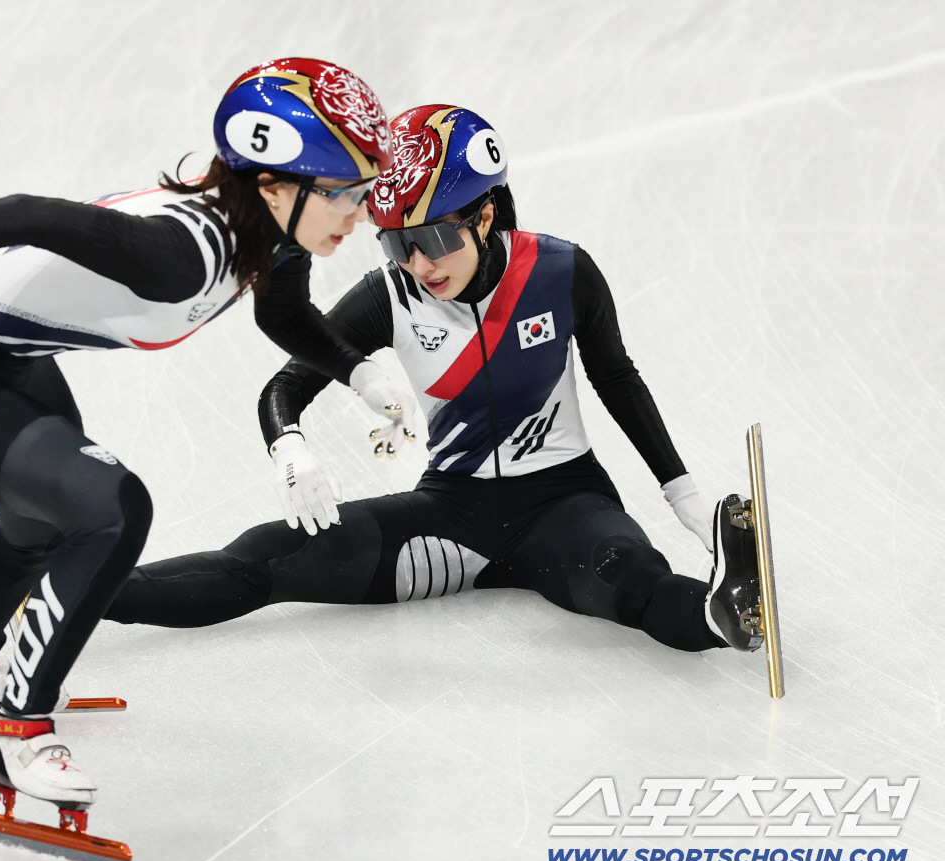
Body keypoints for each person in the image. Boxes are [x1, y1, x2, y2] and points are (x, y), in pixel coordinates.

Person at [0, 58, 413, 814]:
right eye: (346, 194)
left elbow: (279, 313)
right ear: (275, 186)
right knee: (112, 507)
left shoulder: (271, 231)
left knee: (46, 525)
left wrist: (357, 373)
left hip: (5, 356)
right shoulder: (181, 251)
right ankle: (17, 733)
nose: (359, 214)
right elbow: (31, 212)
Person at [105, 104, 764, 662]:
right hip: (452, 518)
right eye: (396, 244)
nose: (417, 263)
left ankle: (722, 613)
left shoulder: (562, 272)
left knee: (636, 582)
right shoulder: (387, 295)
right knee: (262, 560)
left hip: (567, 508)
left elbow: (616, 376)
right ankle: (68, 592)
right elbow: (284, 389)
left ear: (482, 216)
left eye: (431, 238)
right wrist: (291, 447)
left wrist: (682, 492)